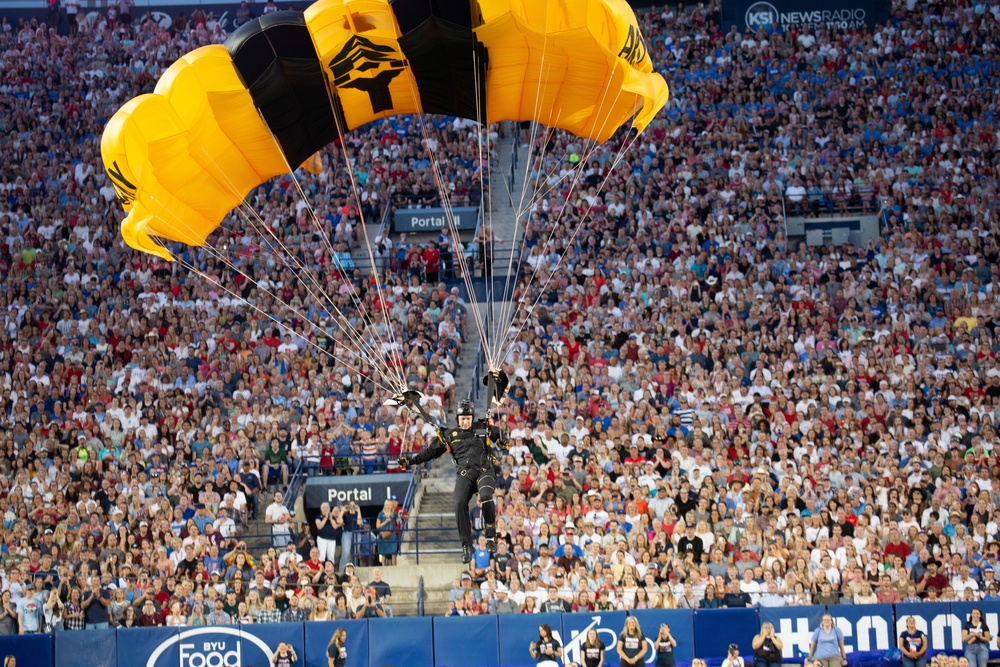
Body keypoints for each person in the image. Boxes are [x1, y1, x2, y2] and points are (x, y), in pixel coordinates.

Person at [398, 373, 508, 563]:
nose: (465, 421)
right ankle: (466, 545)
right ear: (458, 419)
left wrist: (502, 441)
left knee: (487, 496)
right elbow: (429, 453)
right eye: (462, 418)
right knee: (458, 503)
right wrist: (410, 462)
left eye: (468, 418)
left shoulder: (482, 427)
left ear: (472, 417)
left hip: (484, 470)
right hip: (465, 474)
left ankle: (490, 532)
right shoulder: (449, 434)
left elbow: (499, 435)